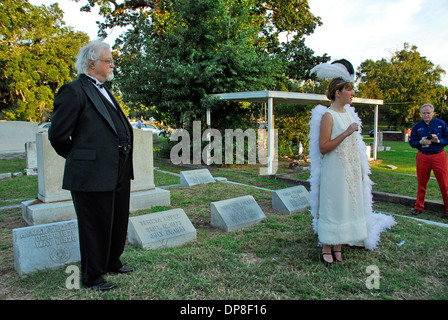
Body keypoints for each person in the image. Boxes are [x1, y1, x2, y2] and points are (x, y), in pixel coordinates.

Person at [49, 40, 134, 291]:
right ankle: (92, 276)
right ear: (91, 63)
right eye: (108, 61)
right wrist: (80, 158)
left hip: (118, 167)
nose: (112, 64)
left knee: (116, 218)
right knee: (94, 223)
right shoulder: (73, 90)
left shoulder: (105, 90)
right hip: (91, 172)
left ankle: (111, 262)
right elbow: (58, 135)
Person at [308, 59, 395, 267]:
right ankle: (327, 246)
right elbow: (323, 147)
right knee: (334, 206)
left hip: (351, 169)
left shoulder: (349, 114)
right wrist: (347, 132)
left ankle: (340, 243)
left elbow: (356, 147)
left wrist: (361, 169)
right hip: (334, 169)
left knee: (347, 206)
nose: (352, 94)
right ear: (338, 92)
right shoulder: (328, 116)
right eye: (349, 90)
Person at [409, 103, 448, 219]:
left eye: (428, 113)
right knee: (421, 183)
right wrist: (420, 143)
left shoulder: (441, 124)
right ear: (421, 114)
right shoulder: (417, 126)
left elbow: (447, 138)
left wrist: (438, 140)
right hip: (423, 156)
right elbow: (412, 142)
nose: (426, 115)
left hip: (438, 155)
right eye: (424, 113)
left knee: (444, 184)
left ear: (433, 113)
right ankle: (419, 206)